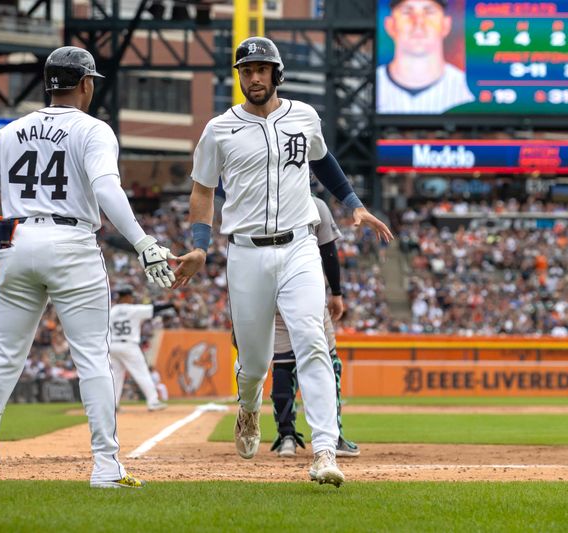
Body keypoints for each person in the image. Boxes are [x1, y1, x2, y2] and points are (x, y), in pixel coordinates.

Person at [173, 37, 393, 487]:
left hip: (299, 246)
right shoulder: (218, 129)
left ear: (277, 73)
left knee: (312, 341)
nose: (254, 77)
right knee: (253, 362)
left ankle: (325, 449)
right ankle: (249, 409)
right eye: (246, 70)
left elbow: (324, 160)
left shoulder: (304, 115)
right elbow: (202, 190)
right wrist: (199, 244)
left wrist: (353, 204)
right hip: (246, 252)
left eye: (261, 69)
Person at [0, 46, 175, 489]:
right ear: (85, 84)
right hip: (71, 242)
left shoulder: (10, 131)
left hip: (16, 243)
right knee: (92, 358)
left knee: (1, 358)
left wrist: (20, 197)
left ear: (47, 84)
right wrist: (143, 242)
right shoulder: (94, 130)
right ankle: (105, 466)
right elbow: (107, 191)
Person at [270, 196, 360, 458]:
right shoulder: (313, 203)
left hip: (269, 290)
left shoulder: (261, 199)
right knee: (328, 361)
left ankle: (286, 436)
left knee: (284, 363)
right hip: (305, 289)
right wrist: (337, 293)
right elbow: (328, 251)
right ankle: (334, 436)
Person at [376, 0, 474, 114]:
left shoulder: (468, 90)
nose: (418, 22)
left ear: (446, 25)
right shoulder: (367, 86)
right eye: (407, 12)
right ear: (390, 25)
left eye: (429, 12)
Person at [108, 284, 175, 411]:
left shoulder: (112, 311)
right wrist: (171, 304)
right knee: (142, 373)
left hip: (113, 345)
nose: (132, 298)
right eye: (130, 296)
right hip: (128, 345)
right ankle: (153, 401)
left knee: (116, 376)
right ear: (126, 296)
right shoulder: (133, 309)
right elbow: (155, 308)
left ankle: (113, 405)